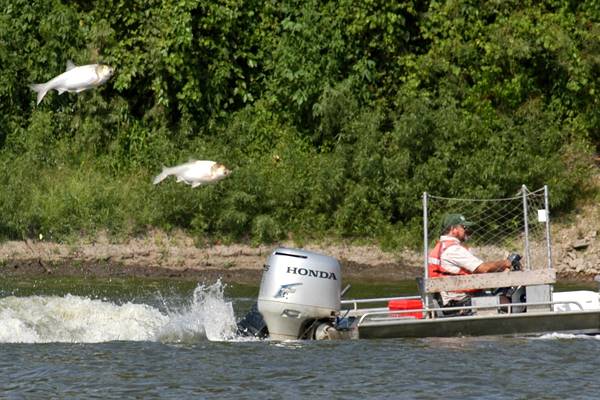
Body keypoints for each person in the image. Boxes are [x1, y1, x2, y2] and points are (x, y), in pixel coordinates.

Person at [428, 213, 512, 312]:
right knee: (506, 302)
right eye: (464, 227)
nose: (467, 231)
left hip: (452, 298)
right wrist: (506, 263)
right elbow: (483, 268)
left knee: (499, 295)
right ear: (453, 229)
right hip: (459, 301)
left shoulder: (441, 247)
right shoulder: (453, 250)